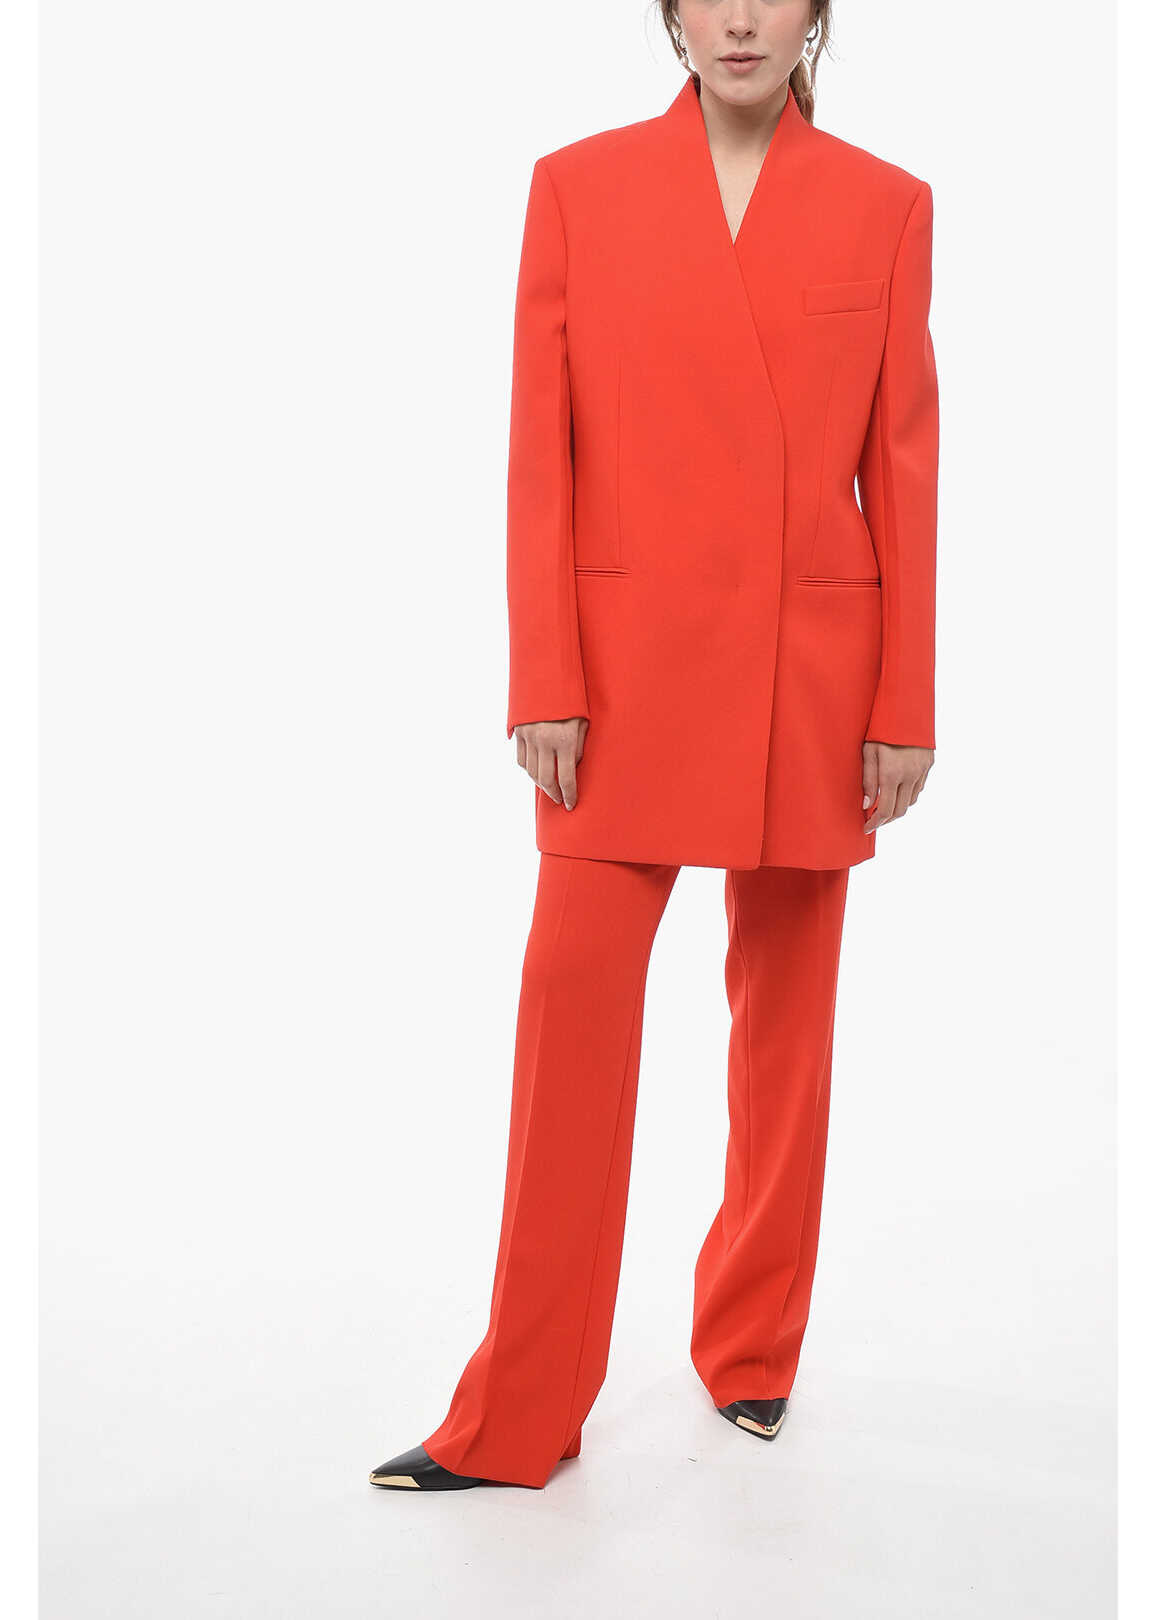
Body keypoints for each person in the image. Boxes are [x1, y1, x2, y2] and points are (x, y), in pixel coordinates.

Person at [371, 0, 938, 1492]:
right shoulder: (578, 188)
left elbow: (904, 467)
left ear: (820, 13)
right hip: (617, 681)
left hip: (808, 679)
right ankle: (521, 1409)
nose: (741, 19)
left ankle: (750, 1349)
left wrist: (904, 701)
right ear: (670, 12)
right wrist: (543, 675)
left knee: (785, 1030)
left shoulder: (885, 205)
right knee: (570, 1011)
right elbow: (537, 450)